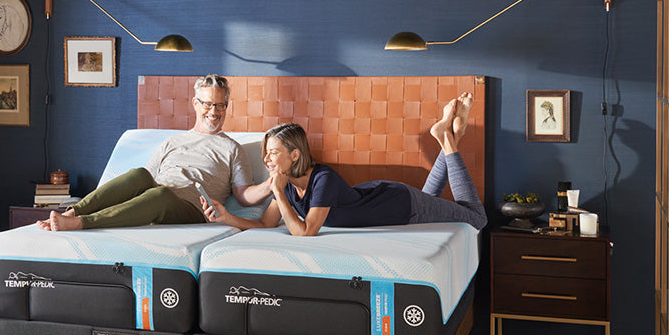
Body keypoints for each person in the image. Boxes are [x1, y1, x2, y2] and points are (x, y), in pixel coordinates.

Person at [201, 93, 487, 236]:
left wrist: (276, 192)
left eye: (272, 153)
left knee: (476, 218)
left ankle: (446, 138)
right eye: (265, 153)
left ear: (295, 155)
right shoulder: (287, 185)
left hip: (401, 205)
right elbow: (266, 223)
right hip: (387, 202)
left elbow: (306, 231)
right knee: (432, 199)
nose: (266, 159)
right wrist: (226, 217)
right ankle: (452, 135)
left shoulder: (322, 178)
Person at [39, 74, 268, 231]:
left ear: (226, 106)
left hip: (191, 209)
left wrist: (271, 185)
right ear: (195, 103)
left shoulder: (232, 148)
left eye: (220, 105)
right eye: (207, 104)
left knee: (161, 195)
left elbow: (244, 195)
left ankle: (83, 223)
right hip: (159, 193)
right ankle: (72, 212)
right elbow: (142, 182)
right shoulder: (172, 141)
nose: (214, 111)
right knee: (139, 173)